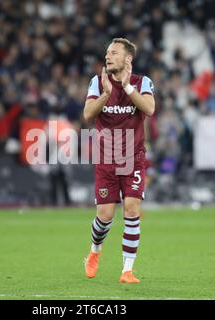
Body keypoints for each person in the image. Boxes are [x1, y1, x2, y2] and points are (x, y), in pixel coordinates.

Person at [83, 38, 155, 283]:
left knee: (132, 210)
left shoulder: (142, 82)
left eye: (113, 52)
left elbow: (149, 109)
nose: (108, 56)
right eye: (106, 53)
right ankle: (94, 252)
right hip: (106, 158)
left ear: (128, 59)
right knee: (104, 215)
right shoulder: (97, 82)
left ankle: (127, 270)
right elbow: (87, 114)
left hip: (133, 158)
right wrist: (106, 94)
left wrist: (126, 88)